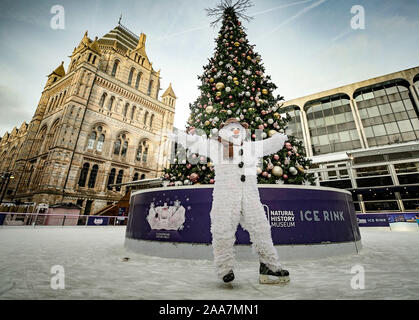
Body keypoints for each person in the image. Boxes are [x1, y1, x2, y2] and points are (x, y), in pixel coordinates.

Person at [172, 118, 290, 284]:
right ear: (223, 131)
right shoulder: (216, 147)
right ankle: (224, 268)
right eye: (231, 128)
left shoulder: (250, 147)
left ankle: (269, 265)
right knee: (222, 230)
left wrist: (278, 139)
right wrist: (182, 136)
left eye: (238, 129)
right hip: (225, 197)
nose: (235, 131)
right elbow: (197, 142)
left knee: (261, 229)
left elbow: (267, 145)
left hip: (250, 197)